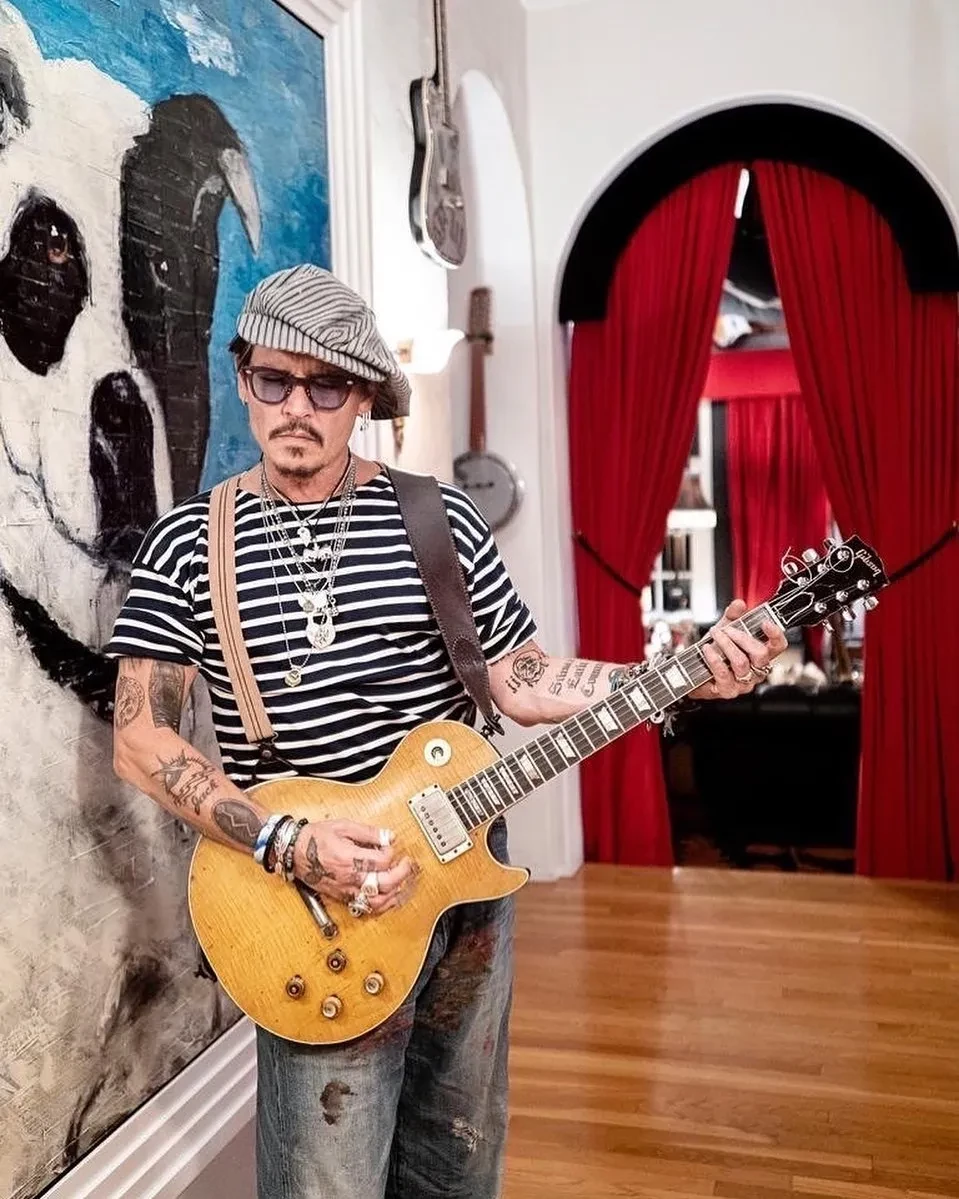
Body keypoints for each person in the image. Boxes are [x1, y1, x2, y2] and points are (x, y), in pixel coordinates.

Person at [107, 264, 786, 1199]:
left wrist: (679, 675)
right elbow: (141, 739)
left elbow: (520, 677)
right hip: (310, 906)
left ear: (365, 398)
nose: (296, 407)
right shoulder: (187, 542)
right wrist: (289, 841)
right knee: (327, 1182)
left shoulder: (439, 518)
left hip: (462, 887)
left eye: (326, 386)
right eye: (273, 379)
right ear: (242, 380)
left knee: (456, 1162)